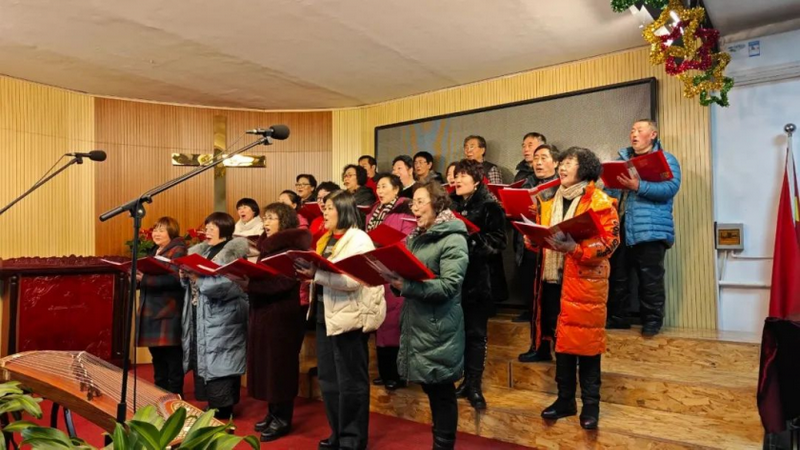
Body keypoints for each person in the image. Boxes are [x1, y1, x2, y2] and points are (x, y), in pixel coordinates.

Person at [532, 147, 619, 430]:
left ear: (585, 168)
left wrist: (576, 248)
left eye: (570, 162)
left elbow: (610, 243)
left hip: (585, 282)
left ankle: (591, 406)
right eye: (563, 162)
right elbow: (544, 237)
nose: (563, 167)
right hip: (553, 281)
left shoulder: (600, 201)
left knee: (588, 346)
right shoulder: (549, 201)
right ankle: (565, 400)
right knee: (562, 344)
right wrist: (532, 238)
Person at [294, 191, 385, 450]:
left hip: (350, 317)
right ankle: (337, 432)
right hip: (325, 315)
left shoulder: (359, 239)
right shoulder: (325, 238)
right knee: (329, 381)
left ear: (343, 210)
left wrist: (316, 275)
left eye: (330, 207)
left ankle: (352, 439)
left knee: (351, 382)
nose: (324, 212)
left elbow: (353, 280)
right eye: (324, 207)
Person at [383, 180, 469, 450]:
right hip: (418, 322)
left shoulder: (453, 237)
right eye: (413, 203)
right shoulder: (417, 236)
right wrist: (393, 277)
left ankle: (443, 445)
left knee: (441, 391)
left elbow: (450, 285)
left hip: (439, 325)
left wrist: (406, 286)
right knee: (432, 389)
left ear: (437, 204)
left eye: (420, 202)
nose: (414, 208)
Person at [605, 119, 681, 336]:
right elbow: (609, 191)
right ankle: (618, 318)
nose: (634, 134)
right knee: (618, 276)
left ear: (653, 134)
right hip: (621, 228)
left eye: (639, 130)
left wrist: (639, 186)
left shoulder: (666, 159)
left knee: (650, 279)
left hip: (651, 229)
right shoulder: (621, 160)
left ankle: (652, 322)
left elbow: (670, 187)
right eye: (632, 130)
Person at [248, 203, 312, 442]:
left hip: (283, 314)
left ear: (284, 221)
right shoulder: (269, 245)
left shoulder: (290, 248)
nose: (266, 222)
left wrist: (249, 285)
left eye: (271, 218)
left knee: (280, 367)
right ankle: (273, 412)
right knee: (268, 365)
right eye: (265, 218)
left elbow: (284, 282)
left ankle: (283, 419)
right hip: (265, 311)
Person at [450, 159, 507, 410]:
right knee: (458, 333)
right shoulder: (450, 204)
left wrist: (472, 237)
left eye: (463, 175)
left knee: (476, 334)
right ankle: (462, 379)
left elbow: (499, 242)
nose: (457, 180)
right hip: (454, 279)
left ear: (476, 180)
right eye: (456, 175)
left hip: (478, 281)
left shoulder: (489, 206)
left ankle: (474, 384)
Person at [181, 212, 249, 420]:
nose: (207, 231)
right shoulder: (203, 251)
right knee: (206, 357)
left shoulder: (234, 253)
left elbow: (230, 284)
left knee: (223, 359)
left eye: (213, 227)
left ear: (225, 230)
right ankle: (213, 404)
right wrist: (186, 275)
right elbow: (195, 280)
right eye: (207, 227)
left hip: (225, 316)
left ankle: (224, 408)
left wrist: (198, 279)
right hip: (202, 313)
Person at [365, 173, 416, 391]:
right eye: (378, 187)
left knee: (395, 324)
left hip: (396, 270)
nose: (380, 191)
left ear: (396, 189)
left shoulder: (406, 209)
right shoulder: (374, 211)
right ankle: (384, 373)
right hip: (377, 269)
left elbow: (409, 239)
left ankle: (398, 375)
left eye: (384, 186)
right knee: (381, 322)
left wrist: (385, 244)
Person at [136, 216, 186, 395]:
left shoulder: (178, 250)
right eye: (155, 230)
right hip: (151, 310)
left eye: (161, 230)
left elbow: (176, 279)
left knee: (172, 357)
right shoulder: (154, 251)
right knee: (157, 357)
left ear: (171, 232)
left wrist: (145, 279)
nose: (156, 233)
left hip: (168, 310)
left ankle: (175, 396)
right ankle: (160, 393)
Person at [514, 139, 559, 325]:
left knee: (550, 288)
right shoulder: (526, 183)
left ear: (556, 162)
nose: (538, 163)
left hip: (552, 243)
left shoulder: (562, 185)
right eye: (535, 159)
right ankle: (532, 312)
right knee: (528, 279)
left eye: (543, 158)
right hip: (527, 239)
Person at [308, 181, 341, 248]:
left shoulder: (340, 221)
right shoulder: (316, 221)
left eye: (325, 197)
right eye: (319, 198)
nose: (321, 201)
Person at [233, 197, 263, 261]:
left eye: (245, 207)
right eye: (239, 208)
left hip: (255, 259)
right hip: (236, 259)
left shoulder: (261, 226)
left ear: (254, 210)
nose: (241, 211)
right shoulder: (236, 226)